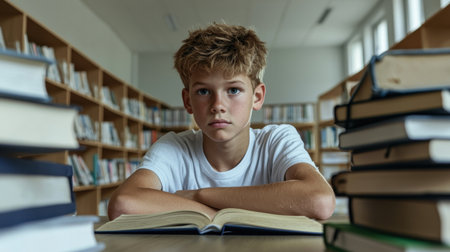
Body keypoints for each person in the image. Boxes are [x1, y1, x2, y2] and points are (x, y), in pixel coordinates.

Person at [108, 23, 335, 221]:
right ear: (187, 101)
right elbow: (123, 204)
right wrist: (220, 215)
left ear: (257, 97)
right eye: (204, 91)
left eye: (233, 90)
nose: (218, 105)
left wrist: (200, 195)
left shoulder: (277, 140)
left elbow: (319, 200)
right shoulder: (174, 147)